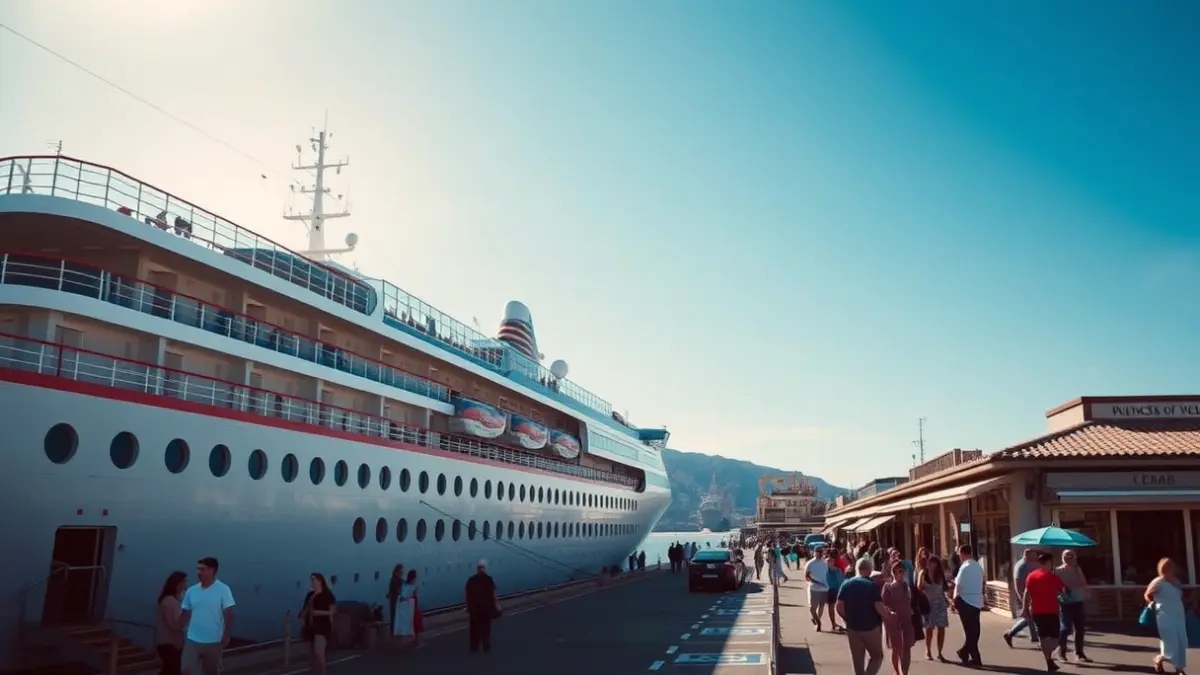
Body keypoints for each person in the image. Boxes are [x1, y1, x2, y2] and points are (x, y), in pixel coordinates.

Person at [179, 557, 235, 675]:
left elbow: (229, 613)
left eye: (202, 569)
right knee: (186, 670)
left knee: (211, 672)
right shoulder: (192, 591)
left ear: (212, 570)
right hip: (192, 639)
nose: (199, 573)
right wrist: (178, 628)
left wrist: (226, 635)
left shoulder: (223, 589)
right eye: (198, 569)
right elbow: (185, 612)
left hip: (214, 640)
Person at [836, 557, 890, 675]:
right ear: (870, 570)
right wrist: (888, 616)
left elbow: (839, 605)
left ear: (857, 569)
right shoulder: (872, 585)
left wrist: (848, 618)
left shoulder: (846, 584)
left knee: (857, 659)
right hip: (871, 627)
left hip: (853, 628)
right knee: (877, 656)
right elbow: (878, 606)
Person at [1022, 551, 1065, 673]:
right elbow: (1063, 591)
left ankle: (1048, 659)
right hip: (1050, 610)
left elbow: (1026, 593)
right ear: (1048, 562)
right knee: (1054, 637)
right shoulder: (1052, 577)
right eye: (1052, 562)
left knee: (1044, 636)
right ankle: (1048, 657)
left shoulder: (1031, 576)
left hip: (1038, 611)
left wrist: (1025, 608)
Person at [1145, 558, 1188, 674]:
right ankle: (1159, 659)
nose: (1170, 569)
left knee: (1181, 641)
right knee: (1170, 642)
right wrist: (1152, 603)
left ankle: (1179, 669)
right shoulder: (1158, 582)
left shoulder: (1176, 582)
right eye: (1167, 567)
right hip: (1164, 615)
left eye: (1171, 567)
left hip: (1178, 615)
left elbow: (1179, 597)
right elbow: (1147, 594)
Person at [1055, 550, 1092, 663]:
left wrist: (1086, 594)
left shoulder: (1077, 569)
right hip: (1065, 603)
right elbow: (1056, 586)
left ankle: (1079, 653)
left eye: (1071, 556)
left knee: (1080, 628)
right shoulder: (1058, 570)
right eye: (1067, 556)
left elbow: (1083, 583)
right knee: (1066, 629)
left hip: (1077, 601)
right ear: (1063, 558)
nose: (1069, 558)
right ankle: (1061, 650)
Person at [882, 561, 916, 675]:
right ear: (894, 573)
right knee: (896, 648)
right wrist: (890, 612)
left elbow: (909, 601)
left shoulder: (906, 586)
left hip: (906, 619)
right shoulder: (888, 587)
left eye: (903, 571)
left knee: (907, 647)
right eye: (900, 571)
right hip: (893, 621)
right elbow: (883, 604)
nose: (902, 574)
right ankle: (896, 672)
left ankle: (905, 672)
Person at [952, 544, 984, 667]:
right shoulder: (978, 566)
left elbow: (958, 585)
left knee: (970, 631)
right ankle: (973, 656)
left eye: (960, 554)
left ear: (963, 553)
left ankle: (965, 652)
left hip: (965, 600)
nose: (959, 556)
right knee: (974, 631)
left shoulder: (964, 567)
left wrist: (954, 600)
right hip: (976, 601)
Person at [299, 573, 335, 675]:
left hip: (322, 627)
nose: (312, 582)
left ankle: (323, 673)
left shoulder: (327, 595)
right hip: (310, 626)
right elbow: (305, 609)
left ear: (320, 581)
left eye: (314, 580)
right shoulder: (310, 595)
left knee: (319, 653)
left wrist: (317, 612)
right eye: (311, 580)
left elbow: (332, 611)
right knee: (312, 655)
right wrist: (302, 614)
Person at [1004, 549, 1041, 648]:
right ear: (1027, 556)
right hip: (1025, 595)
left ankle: (1011, 634)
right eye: (1034, 556)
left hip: (1033, 595)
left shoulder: (1032, 564)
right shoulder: (1021, 566)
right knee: (1030, 617)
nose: (1036, 557)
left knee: (1030, 618)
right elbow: (1017, 584)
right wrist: (1022, 599)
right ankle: (1036, 638)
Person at [917, 555, 950, 662]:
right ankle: (928, 650)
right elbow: (919, 588)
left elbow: (944, 587)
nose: (933, 565)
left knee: (941, 628)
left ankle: (940, 653)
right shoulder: (923, 573)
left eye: (935, 563)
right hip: (928, 603)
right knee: (929, 628)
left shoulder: (940, 574)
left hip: (940, 604)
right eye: (931, 563)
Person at [154, 571, 187, 675]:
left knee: (171, 670)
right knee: (173, 670)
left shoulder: (176, 601)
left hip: (175, 644)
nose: (186, 584)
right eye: (184, 581)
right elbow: (174, 625)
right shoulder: (168, 602)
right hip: (168, 644)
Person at [465, 559, 498, 653]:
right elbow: (493, 594)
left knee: (474, 629)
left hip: (474, 610)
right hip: (486, 609)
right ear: (485, 568)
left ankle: (474, 647)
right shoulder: (489, 579)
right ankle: (485, 646)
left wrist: (467, 607)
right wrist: (496, 605)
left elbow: (467, 594)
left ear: (477, 569)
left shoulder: (471, 580)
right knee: (486, 628)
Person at [805, 548, 831, 631]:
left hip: (824, 589)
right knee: (812, 608)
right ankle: (818, 622)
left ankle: (817, 621)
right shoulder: (810, 563)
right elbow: (807, 577)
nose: (819, 554)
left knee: (821, 606)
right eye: (818, 552)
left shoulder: (824, 563)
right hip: (814, 588)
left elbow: (827, 575)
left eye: (821, 552)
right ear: (814, 553)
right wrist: (816, 582)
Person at [392, 569, 418, 646]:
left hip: (403, 605)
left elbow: (401, 595)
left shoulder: (404, 585)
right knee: (410, 622)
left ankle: (402, 641)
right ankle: (413, 640)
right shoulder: (414, 586)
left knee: (403, 622)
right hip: (410, 605)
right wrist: (416, 607)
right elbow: (415, 597)